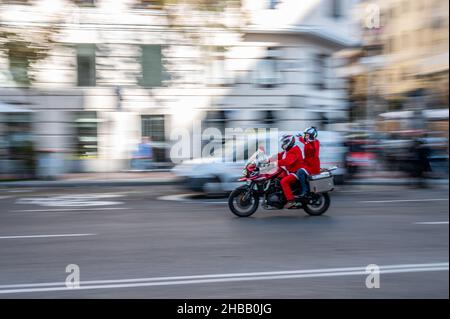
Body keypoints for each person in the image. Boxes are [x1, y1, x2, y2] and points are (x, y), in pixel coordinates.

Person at [269, 134, 304, 209]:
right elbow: (279, 155)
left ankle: (291, 201)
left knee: (284, 181)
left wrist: (275, 163)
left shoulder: (295, 150)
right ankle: (280, 195)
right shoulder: (288, 150)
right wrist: (268, 159)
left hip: (296, 173)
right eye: (283, 142)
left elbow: (288, 161)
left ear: (289, 141)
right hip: (289, 171)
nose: (283, 144)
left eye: (284, 142)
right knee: (276, 178)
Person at [295, 127, 320, 196]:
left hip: (313, 166)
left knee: (300, 172)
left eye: (307, 135)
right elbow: (303, 141)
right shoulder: (308, 141)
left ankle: (305, 190)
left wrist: (308, 141)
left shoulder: (315, 142)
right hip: (307, 163)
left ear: (312, 135)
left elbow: (314, 151)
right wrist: (299, 137)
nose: (305, 136)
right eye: (305, 134)